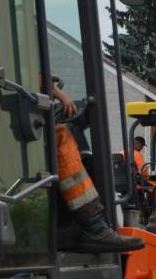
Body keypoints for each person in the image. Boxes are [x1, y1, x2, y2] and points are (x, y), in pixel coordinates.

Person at [52, 82, 144, 253]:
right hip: (141, 188)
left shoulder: (130, 152)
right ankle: (93, 225)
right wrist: (57, 92)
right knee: (61, 136)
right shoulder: (135, 154)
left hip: (141, 187)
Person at [122, 136, 156, 207]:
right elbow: (143, 172)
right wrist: (147, 175)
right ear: (136, 144)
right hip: (137, 183)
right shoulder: (137, 154)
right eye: (142, 146)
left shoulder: (123, 152)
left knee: (152, 186)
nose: (142, 148)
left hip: (127, 183)